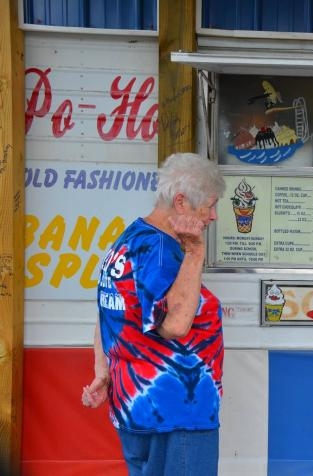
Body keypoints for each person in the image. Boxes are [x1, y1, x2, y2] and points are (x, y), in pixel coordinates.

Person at [81, 152, 227, 476]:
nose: (214, 216)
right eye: (210, 205)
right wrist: (196, 251)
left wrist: (102, 371)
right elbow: (173, 325)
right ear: (181, 202)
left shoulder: (129, 239)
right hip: (176, 415)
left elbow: (108, 311)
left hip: (139, 408)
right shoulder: (161, 251)